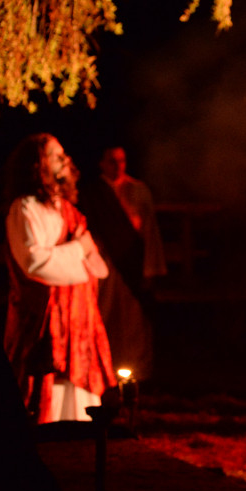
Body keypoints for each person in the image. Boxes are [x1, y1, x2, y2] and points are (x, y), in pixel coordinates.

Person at [4, 133, 116, 423]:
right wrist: (78, 248)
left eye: (64, 154)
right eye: (56, 155)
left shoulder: (67, 210)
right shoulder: (25, 208)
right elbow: (34, 263)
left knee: (80, 412)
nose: (65, 160)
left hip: (78, 325)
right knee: (45, 407)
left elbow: (98, 269)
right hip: (44, 328)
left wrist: (84, 251)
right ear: (37, 165)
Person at [80, 146, 167, 382]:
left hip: (134, 263)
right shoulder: (92, 194)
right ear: (101, 163)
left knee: (135, 319)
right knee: (106, 315)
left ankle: (139, 371)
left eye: (121, 160)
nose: (117, 166)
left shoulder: (138, 190)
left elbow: (150, 232)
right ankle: (104, 368)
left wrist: (151, 268)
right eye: (111, 161)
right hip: (105, 263)